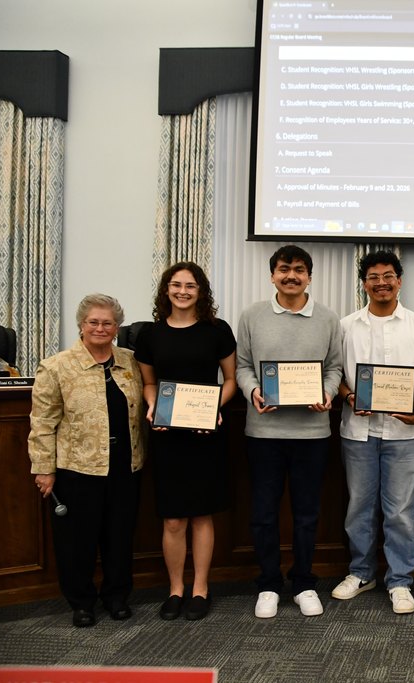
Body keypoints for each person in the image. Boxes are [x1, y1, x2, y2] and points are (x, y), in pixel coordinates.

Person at [235, 245, 344, 619]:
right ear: (272, 275)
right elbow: (243, 366)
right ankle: (268, 583)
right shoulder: (251, 316)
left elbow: (335, 368)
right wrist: (253, 391)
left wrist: (327, 393)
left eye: (299, 269)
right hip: (263, 431)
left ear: (309, 276)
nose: (291, 275)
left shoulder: (329, 319)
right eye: (284, 269)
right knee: (264, 512)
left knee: (307, 514)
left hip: (312, 434)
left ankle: (303, 583)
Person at [331, 251, 414, 615]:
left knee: (401, 511)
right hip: (357, 430)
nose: (381, 282)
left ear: (399, 280)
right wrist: (348, 397)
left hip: (405, 435)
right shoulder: (346, 326)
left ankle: (400, 580)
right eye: (374, 276)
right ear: (364, 283)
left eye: (388, 275)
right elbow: (339, 377)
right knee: (359, 507)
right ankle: (361, 573)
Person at [28, 294, 145, 627]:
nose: (100, 328)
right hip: (77, 470)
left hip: (126, 466)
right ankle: (81, 602)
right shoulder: (56, 366)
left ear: (117, 327)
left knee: (120, 536)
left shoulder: (131, 362)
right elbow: (42, 422)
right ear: (81, 324)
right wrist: (44, 469)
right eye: (93, 321)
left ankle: (116, 596)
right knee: (77, 541)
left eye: (108, 323)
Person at [136, 262, 237, 621]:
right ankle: (175, 588)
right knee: (174, 519)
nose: (183, 291)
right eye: (176, 285)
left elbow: (231, 381)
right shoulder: (149, 334)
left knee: (201, 515)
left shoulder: (217, 331)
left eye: (190, 286)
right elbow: (149, 383)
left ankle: (201, 589)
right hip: (167, 434)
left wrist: (213, 409)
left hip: (204, 433)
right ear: (166, 290)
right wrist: (152, 407)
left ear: (201, 291)